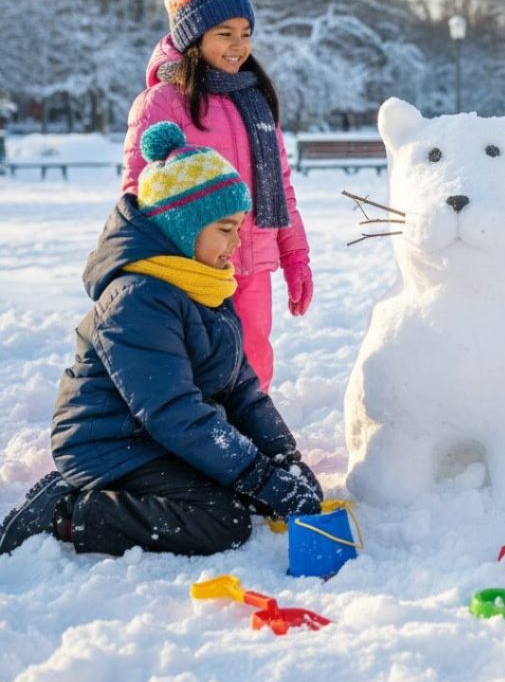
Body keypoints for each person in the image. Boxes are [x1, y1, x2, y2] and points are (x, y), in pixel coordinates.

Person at [0, 123, 323, 557]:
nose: (236, 242)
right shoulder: (137, 299)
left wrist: (284, 460)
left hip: (159, 436)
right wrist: (260, 478)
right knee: (222, 521)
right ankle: (68, 510)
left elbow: (242, 390)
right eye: (225, 228)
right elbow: (172, 410)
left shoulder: (204, 284)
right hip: (111, 444)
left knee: (249, 492)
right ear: (184, 227)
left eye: (238, 228)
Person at [123, 0, 312, 390]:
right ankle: (201, 432)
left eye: (245, 33)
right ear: (193, 37)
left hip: (254, 260)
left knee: (254, 361)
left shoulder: (256, 101)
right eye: (224, 33)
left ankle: (251, 429)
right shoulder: (164, 101)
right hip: (192, 266)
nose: (238, 45)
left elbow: (281, 187)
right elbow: (139, 192)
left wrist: (296, 257)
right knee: (197, 366)